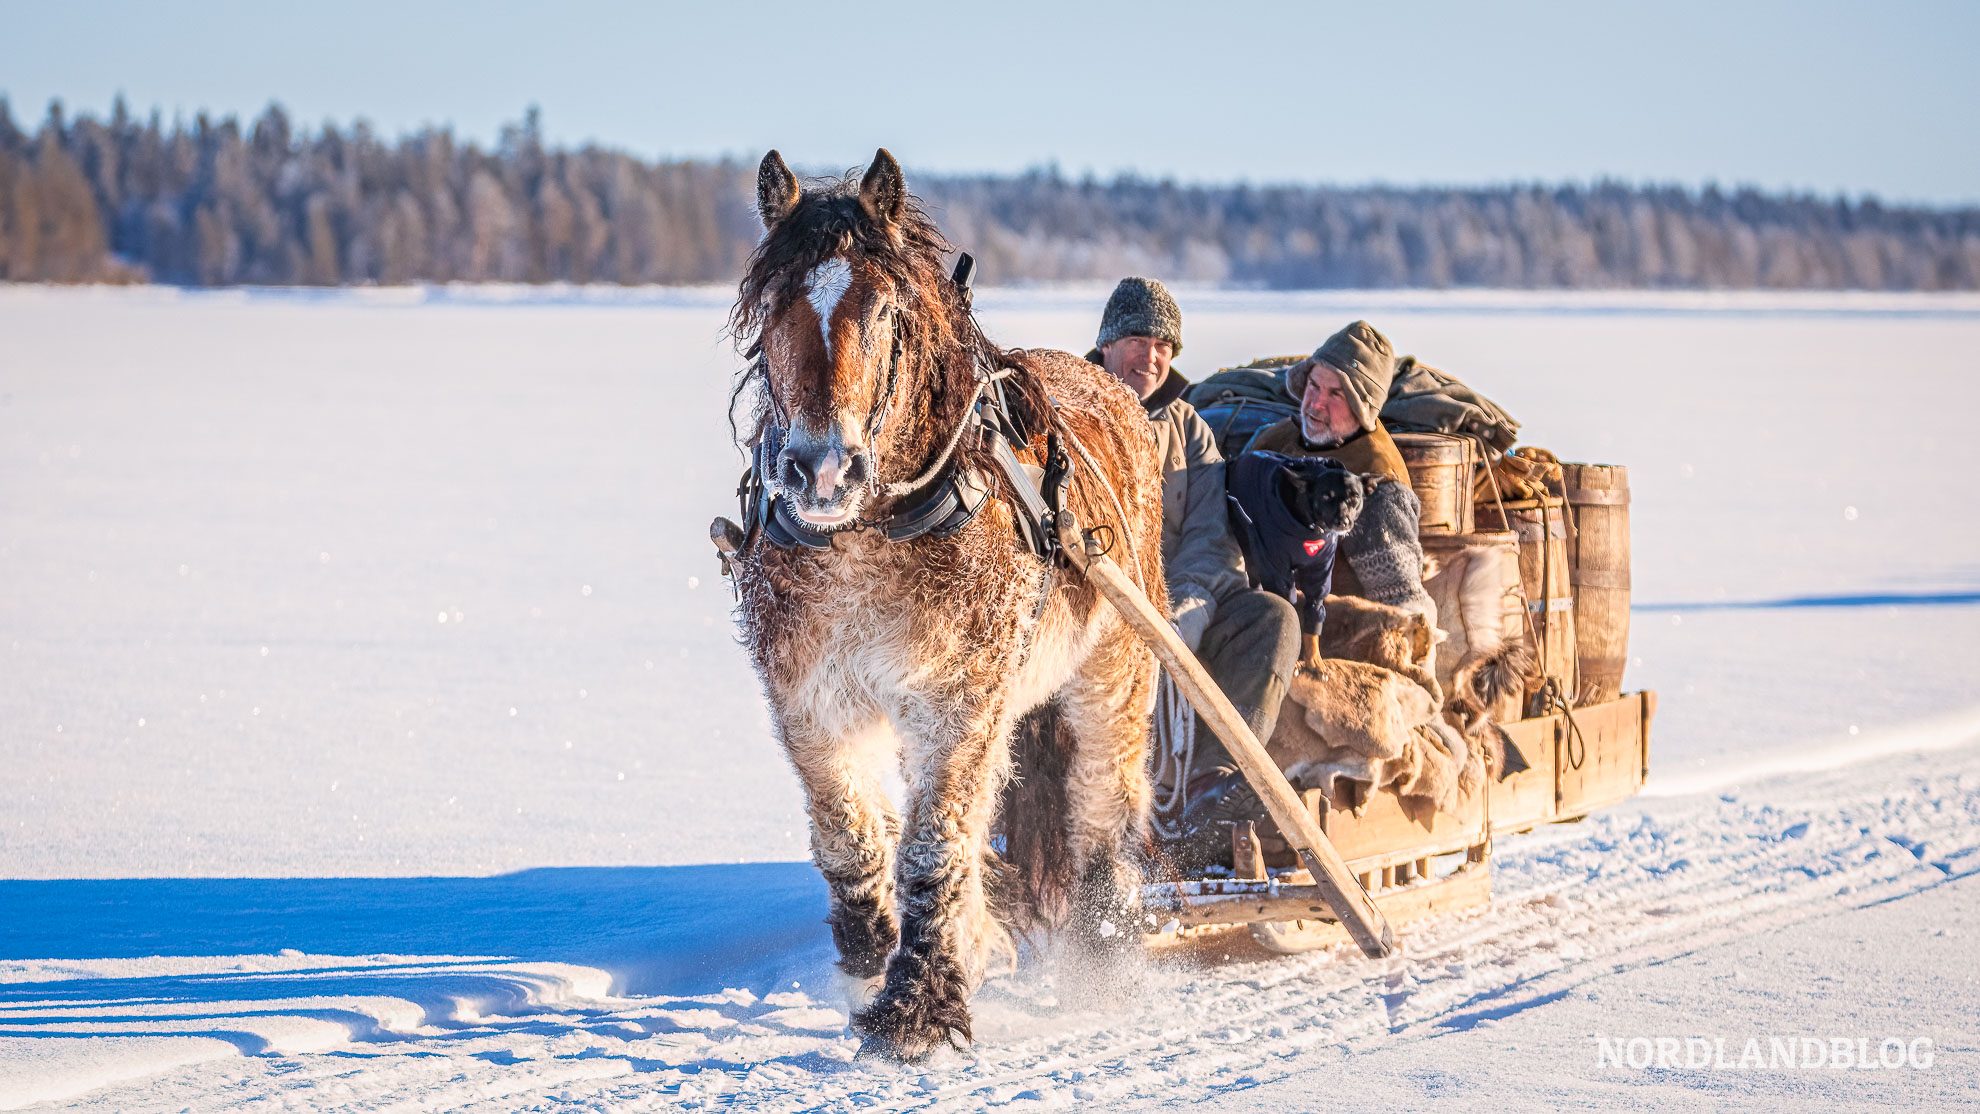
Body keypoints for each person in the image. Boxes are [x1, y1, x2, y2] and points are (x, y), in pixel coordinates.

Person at [1088, 278, 1301, 816]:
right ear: (1107, 343)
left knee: (1271, 620)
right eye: (1137, 339)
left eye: (1163, 346)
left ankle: (1212, 780)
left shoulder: (1190, 431)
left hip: (1176, 607)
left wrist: (1181, 611)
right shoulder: (1070, 411)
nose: (1150, 356)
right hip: (1089, 611)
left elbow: (1211, 538)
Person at [1245, 321, 1436, 621]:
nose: (1316, 404)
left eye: (1336, 394)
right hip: (1256, 611)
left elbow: (1404, 608)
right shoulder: (1273, 440)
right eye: (1314, 386)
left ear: (1362, 408)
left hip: (1335, 636)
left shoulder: (1378, 486)